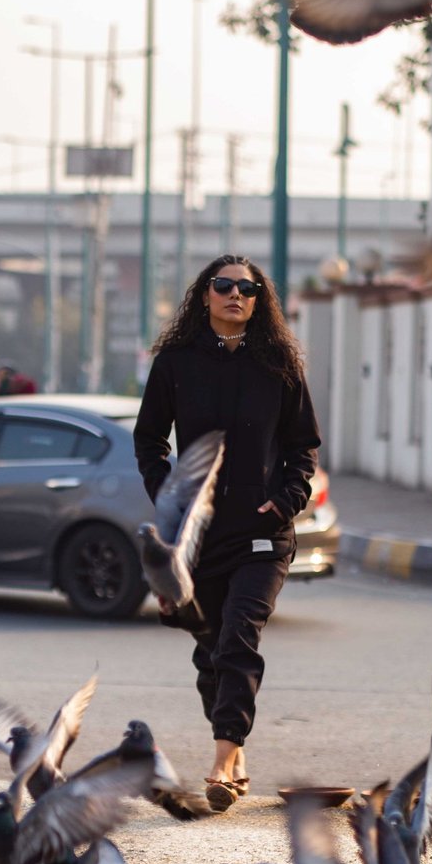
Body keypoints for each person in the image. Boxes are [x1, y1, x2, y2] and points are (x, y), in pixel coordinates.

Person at [132, 255, 320, 813]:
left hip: (263, 535)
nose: (235, 294)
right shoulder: (175, 363)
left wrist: (284, 500)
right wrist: (173, 502)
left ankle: (218, 761)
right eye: (224, 285)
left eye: (248, 288)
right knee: (211, 652)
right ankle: (235, 758)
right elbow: (148, 443)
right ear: (205, 295)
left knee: (240, 636)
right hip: (201, 540)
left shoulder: (279, 362)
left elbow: (302, 449)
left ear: (260, 300)